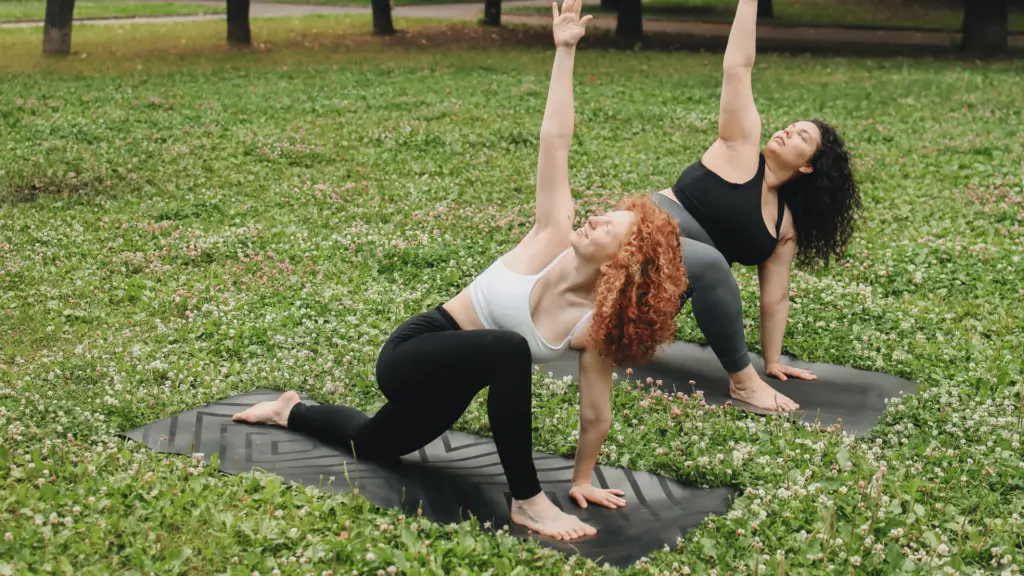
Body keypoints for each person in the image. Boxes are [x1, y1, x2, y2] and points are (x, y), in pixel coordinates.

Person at [232, 0, 688, 542]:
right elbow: (555, 141)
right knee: (509, 348)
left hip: (457, 384)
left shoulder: (591, 326)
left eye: (606, 225)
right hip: (415, 351)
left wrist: (584, 478)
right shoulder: (550, 235)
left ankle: (290, 411)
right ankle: (527, 501)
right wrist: (565, 52)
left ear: (623, 261)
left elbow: (596, 412)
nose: (591, 217)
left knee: (375, 442)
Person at [650, 0, 862, 412]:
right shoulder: (741, 144)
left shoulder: (783, 226)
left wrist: (774, 360)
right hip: (640, 236)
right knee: (712, 263)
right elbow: (738, 67)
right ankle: (743, 383)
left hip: (660, 286)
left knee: (703, 267)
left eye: (801, 135)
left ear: (807, 165)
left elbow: (775, 297)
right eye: (791, 124)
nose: (787, 130)